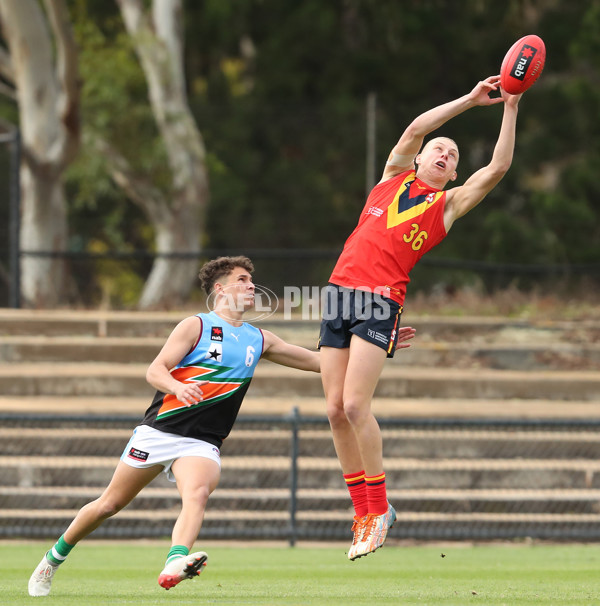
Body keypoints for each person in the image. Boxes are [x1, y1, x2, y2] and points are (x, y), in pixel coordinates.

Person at [28, 255, 328, 596]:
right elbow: (155, 370)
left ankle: (175, 562)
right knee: (109, 504)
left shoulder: (261, 339)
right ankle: (52, 560)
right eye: (242, 280)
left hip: (202, 442)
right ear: (220, 288)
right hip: (159, 432)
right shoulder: (195, 326)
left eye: (251, 280)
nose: (250, 287)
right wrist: (177, 386)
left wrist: (375, 346)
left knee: (197, 494)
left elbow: (320, 363)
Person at [319, 75, 522, 560]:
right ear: (420, 157)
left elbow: (496, 168)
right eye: (439, 149)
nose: (444, 155)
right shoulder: (390, 179)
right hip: (337, 294)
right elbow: (415, 128)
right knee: (332, 410)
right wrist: (471, 102)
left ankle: (379, 507)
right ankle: (365, 512)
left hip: (380, 301)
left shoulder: (446, 205)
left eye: (452, 157)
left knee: (354, 406)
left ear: (452, 175)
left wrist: (509, 108)